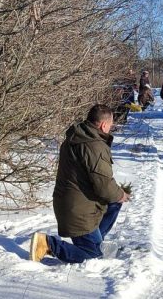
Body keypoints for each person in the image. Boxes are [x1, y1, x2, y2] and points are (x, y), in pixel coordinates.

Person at [29, 105, 131, 263]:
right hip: (79, 211)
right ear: (104, 125)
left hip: (70, 203)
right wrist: (120, 194)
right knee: (94, 256)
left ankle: (95, 241)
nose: (110, 129)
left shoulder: (75, 138)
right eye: (110, 125)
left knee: (113, 204)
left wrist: (116, 195)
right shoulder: (95, 145)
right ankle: (48, 244)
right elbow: (103, 185)